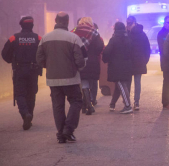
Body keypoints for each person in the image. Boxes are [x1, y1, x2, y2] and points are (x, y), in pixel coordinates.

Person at [36, 12, 85, 143]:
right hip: (71, 78)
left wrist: (51, 67)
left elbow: (39, 58)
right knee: (76, 101)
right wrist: (78, 69)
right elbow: (81, 59)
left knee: (58, 106)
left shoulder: (45, 39)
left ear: (55, 20)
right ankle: (68, 129)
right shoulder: (73, 38)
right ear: (68, 21)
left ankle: (60, 133)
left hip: (53, 79)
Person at [1, 16, 42, 130]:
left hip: (19, 70)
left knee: (20, 94)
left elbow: (4, 53)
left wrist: (11, 61)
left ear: (21, 25)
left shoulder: (14, 38)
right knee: (31, 93)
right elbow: (44, 52)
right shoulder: (38, 38)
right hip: (34, 70)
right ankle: (30, 115)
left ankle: (25, 114)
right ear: (32, 25)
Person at [72, 17, 104, 115]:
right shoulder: (94, 33)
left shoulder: (74, 32)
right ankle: (90, 102)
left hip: (79, 60)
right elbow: (100, 47)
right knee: (92, 81)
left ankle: (85, 103)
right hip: (92, 61)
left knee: (83, 80)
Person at [103, 22, 134, 114]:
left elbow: (107, 52)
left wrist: (105, 59)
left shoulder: (114, 39)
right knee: (120, 86)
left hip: (117, 66)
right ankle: (112, 104)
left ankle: (128, 106)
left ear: (115, 29)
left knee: (120, 84)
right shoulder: (128, 38)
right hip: (127, 65)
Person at [126, 16, 151, 111]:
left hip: (131, 61)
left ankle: (132, 102)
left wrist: (145, 59)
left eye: (129, 23)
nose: (128, 24)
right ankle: (135, 102)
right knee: (134, 82)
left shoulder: (128, 34)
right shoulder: (142, 33)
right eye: (127, 22)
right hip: (137, 61)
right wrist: (145, 60)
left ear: (134, 23)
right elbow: (147, 48)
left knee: (132, 82)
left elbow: (147, 48)